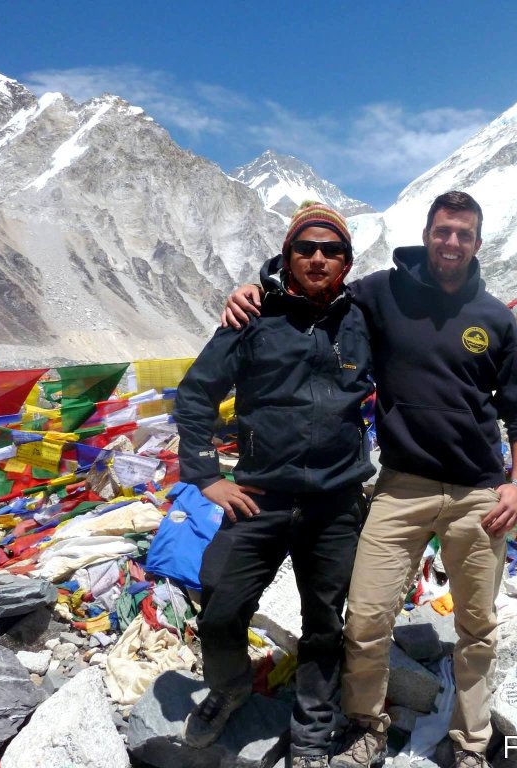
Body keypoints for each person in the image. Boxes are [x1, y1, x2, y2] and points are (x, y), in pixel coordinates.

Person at [222, 191, 517, 768]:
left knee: (477, 627)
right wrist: (254, 289)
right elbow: (313, 287)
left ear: (477, 243)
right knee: (366, 620)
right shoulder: (381, 293)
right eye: (443, 232)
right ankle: (366, 727)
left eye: (463, 235)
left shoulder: (495, 318)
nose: (451, 243)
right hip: (401, 486)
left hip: (477, 493)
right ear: (427, 232)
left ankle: (470, 744)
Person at [176, 202, 374, 766]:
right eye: (305, 248)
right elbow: (195, 395)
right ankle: (232, 684)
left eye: (330, 249)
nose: (317, 258)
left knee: (324, 620)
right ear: (286, 256)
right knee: (218, 603)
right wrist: (206, 477)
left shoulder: (363, 319)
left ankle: (313, 726)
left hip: (335, 500)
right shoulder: (252, 317)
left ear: (346, 261)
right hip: (259, 496)